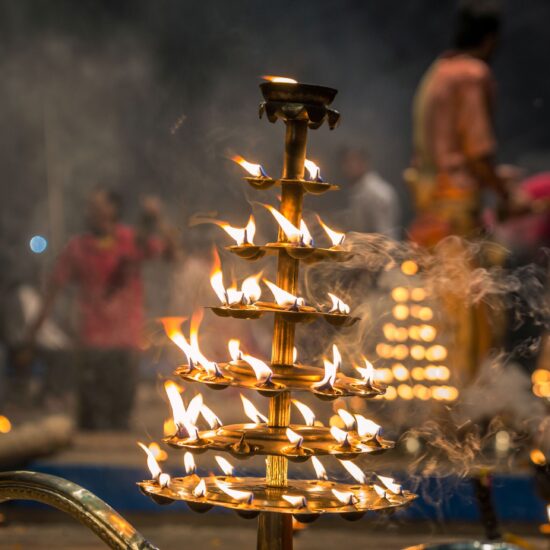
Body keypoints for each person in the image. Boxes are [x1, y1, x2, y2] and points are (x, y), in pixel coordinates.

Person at [27, 188, 179, 430]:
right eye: (90, 207)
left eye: (99, 206)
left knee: (120, 417)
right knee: (89, 421)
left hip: (126, 343)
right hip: (91, 344)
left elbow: (171, 255)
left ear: (113, 209)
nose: (93, 212)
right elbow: (53, 291)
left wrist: (157, 218)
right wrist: (32, 335)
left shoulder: (130, 240)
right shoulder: (77, 247)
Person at [406, 0, 517, 248]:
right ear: (490, 40)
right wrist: (507, 195)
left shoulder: (438, 71)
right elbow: (478, 152)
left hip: (429, 210)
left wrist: (495, 177)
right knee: (466, 285)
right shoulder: (472, 74)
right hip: (457, 217)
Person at [341, 146, 401, 239]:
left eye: (350, 163)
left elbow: (383, 235)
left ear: (363, 163)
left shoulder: (375, 192)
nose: (345, 168)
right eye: (345, 163)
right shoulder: (360, 189)